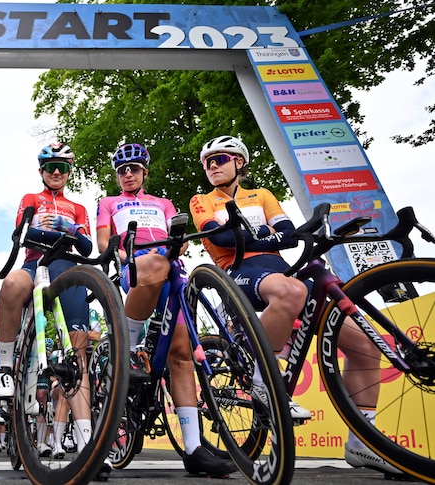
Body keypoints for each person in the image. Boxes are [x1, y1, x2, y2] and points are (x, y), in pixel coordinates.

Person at [189, 135, 397, 474]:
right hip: (238, 270)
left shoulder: (263, 195)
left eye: (220, 159)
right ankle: (263, 381)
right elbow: (221, 238)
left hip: (280, 269)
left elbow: (289, 234)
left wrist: (258, 236)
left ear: (239, 163)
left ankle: (362, 444)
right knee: (290, 292)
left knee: (365, 348)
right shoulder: (202, 199)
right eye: (207, 162)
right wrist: (267, 237)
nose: (212, 166)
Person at [96, 143, 236, 477]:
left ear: (144, 171)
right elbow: (103, 242)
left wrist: (177, 246)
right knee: (155, 264)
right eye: (122, 170)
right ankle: (127, 347)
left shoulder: (162, 203)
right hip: (137, 265)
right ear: (118, 176)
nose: (128, 174)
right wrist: (123, 248)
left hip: (172, 267)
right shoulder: (108, 203)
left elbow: (183, 240)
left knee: (182, 356)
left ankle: (193, 449)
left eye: (134, 168)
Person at [0, 143, 111, 476]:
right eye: (50, 167)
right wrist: (62, 231)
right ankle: (4, 364)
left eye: (62, 167)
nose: (56, 172)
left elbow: (86, 245)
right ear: (41, 170)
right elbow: (22, 233)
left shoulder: (78, 206)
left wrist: (73, 230)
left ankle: (88, 446)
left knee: (79, 354)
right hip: (35, 265)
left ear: (69, 172)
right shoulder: (31, 198)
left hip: (68, 270)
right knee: (12, 285)